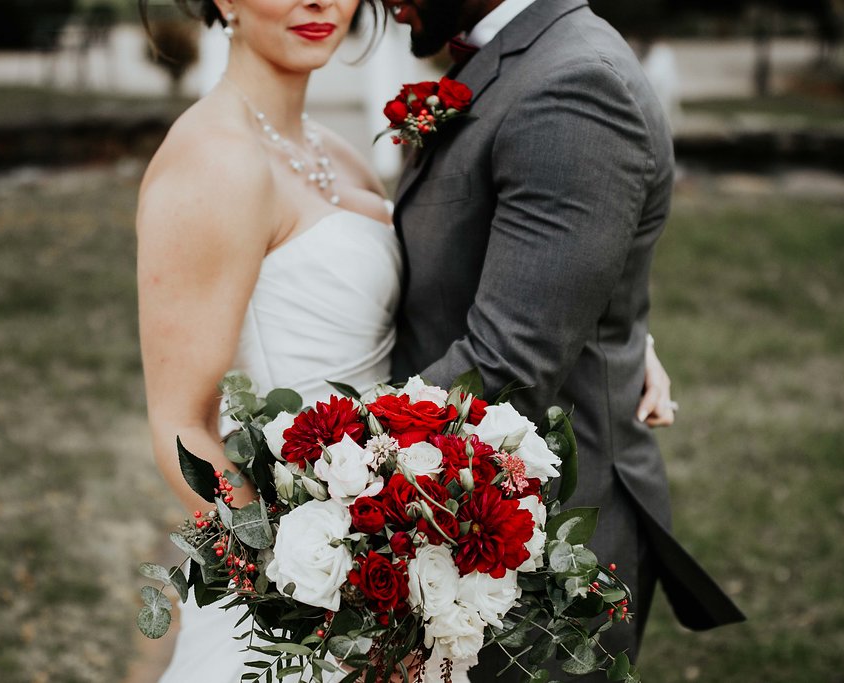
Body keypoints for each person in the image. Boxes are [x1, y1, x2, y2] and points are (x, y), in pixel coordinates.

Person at [135, 0, 683, 681]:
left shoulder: (334, 154)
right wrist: (305, 584)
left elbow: (456, 283)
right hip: (322, 579)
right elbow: (182, 424)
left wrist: (609, 328)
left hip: (403, 531)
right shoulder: (212, 162)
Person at [382, 0, 746, 681]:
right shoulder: (520, 60)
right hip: (453, 510)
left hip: (543, 546)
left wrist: (323, 468)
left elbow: (506, 362)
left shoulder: (575, 85)